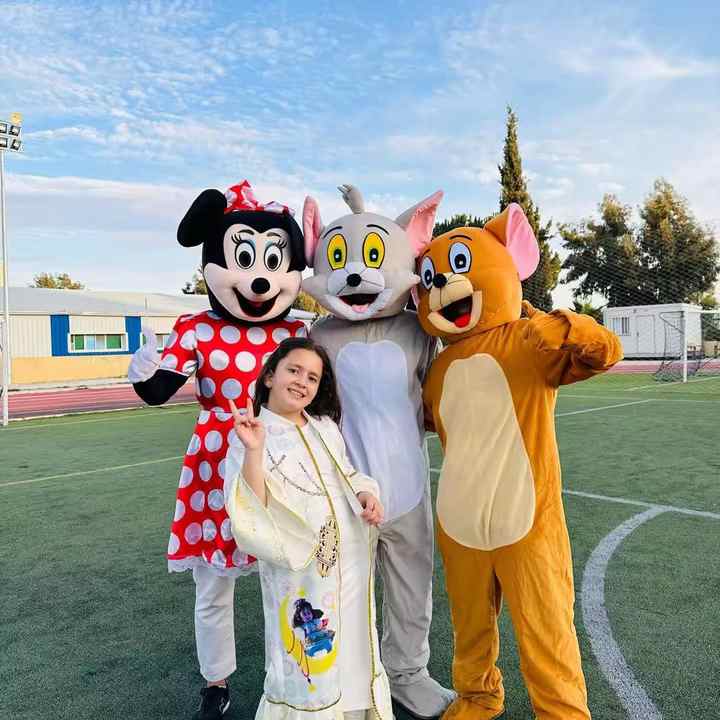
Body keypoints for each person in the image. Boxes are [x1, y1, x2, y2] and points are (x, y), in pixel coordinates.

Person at [128, 181, 307, 719]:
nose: (259, 280)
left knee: (289, 576)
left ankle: (296, 670)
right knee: (213, 583)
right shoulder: (197, 329)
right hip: (216, 463)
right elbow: (158, 391)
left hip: (283, 459)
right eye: (245, 259)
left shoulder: (298, 332)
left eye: (273, 261)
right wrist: (144, 372)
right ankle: (216, 682)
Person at [224, 337, 394, 720]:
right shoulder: (251, 435)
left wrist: (366, 494)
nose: (302, 381)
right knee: (312, 658)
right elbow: (251, 509)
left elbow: (348, 474)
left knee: (354, 647)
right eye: (294, 370)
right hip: (302, 576)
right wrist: (253, 449)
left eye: (313, 377)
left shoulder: (325, 428)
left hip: (351, 564)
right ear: (270, 376)